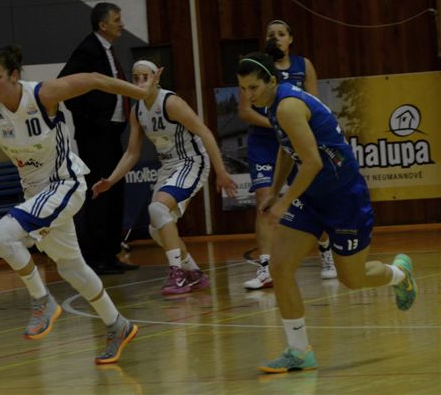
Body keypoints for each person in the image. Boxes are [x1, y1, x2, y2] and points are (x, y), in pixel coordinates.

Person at [0, 45, 162, 364]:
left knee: (0, 235)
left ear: (14, 76)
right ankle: (117, 325)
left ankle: (42, 300)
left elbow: (95, 78)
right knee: (71, 267)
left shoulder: (43, 95)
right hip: (35, 196)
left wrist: (140, 93)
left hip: (65, 184)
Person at [236, 52, 417, 373]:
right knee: (280, 267)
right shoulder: (273, 105)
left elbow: (313, 162)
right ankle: (299, 351)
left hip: (343, 197)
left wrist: (282, 203)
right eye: (242, 89)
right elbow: (287, 149)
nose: (248, 95)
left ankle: (400, 274)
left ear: (271, 81)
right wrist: (276, 190)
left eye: (253, 87)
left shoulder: (288, 106)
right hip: (310, 197)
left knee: (353, 279)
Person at [92, 60, 237, 294]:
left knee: (157, 209)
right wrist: (111, 180)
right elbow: (132, 153)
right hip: (169, 166)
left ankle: (176, 274)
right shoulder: (137, 110)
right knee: (156, 228)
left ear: (157, 77)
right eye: (136, 78)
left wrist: (221, 171)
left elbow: (204, 132)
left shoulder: (171, 102)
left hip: (192, 161)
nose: (140, 82)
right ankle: (194, 273)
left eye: (145, 77)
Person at [239, 20, 337, 290]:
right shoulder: (255, 68)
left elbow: (313, 103)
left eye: (281, 34)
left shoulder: (303, 66)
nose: (276, 38)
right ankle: (266, 266)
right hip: (264, 141)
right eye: (271, 34)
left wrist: (286, 125)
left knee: (310, 195)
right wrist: (276, 124)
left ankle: (326, 250)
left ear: (290, 38)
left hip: (295, 137)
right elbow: (245, 111)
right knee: (264, 198)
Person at [58, 2, 138, 275]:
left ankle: (111, 253)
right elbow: (64, 86)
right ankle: (95, 257)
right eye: (117, 19)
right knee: (100, 193)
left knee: (114, 190)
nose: (121, 24)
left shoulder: (107, 50)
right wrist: (91, 118)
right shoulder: (88, 49)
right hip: (95, 136)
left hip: (111, 132)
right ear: (102, 25)